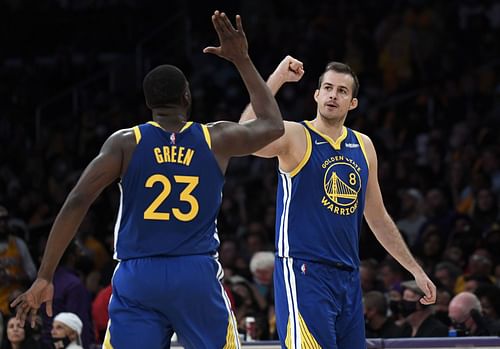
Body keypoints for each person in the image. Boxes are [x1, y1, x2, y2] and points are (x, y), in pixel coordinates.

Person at [11, 10, 283, 349]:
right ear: (187, 97)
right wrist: (242, 59)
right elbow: (273, 125)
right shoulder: (216, 138)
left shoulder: (125, 142)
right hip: (194, 272)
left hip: (138, 275)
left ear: (149, 104)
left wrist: (45, 274)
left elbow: (77, 201)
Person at [239, 56, 436, 348]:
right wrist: (278, 76)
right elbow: (243, 134)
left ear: (352, 103)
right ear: (316, 95)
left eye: (342, 91)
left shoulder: (364, 145)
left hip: (347, 277)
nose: (333, 95)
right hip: (304, 272)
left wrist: (414, 269)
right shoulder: (296, 135)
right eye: (328, 88)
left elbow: (378, 216)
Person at [0, 206, 37, 317]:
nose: (2, 223)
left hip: (16, 300)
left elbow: (32, 273)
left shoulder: (18, 243)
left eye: (4, 220)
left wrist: (15, 277)